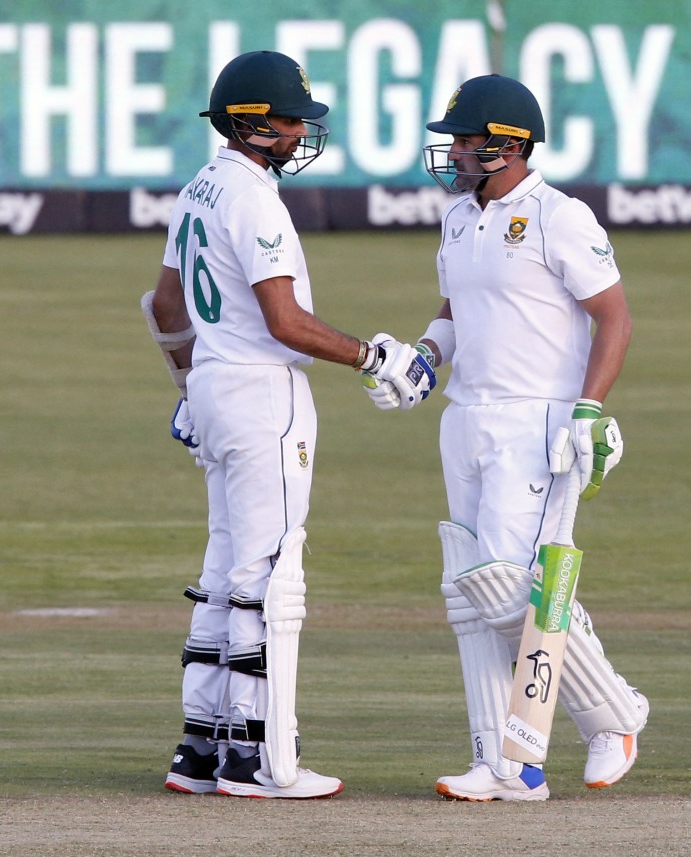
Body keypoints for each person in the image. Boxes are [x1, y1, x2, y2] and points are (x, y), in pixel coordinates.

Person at [141, 50, 434, 800]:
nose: (302, 129)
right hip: (263, 394)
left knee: (221, 569)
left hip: (213, 387)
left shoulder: (198, 187)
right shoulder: (256, 201)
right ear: (253, 124)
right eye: (290, 117)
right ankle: (258, 756)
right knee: (264, 577)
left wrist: (189, 386)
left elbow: (165, 308)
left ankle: (199, 748)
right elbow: (286, 321)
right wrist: (374, 356)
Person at [363, 74, 649, 802]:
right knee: (472, 593)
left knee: (506, 586)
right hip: (466, 416)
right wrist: (425, 357)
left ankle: (611, 714)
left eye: (466, 138)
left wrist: (590, 408)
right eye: (454, 137)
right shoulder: (460, 217)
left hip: (538, 419)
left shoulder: (561, 216)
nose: (453, 150)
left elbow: (614, 317)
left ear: (510, 145)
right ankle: (503, 763)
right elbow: (457, 307)